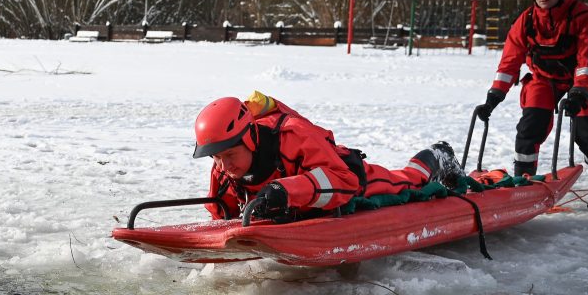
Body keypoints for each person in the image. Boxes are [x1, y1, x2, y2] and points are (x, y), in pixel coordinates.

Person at [192, 91, 462, 220]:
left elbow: (345, 182)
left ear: (249, 138)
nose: (223, 165)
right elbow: (222, 215)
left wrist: (285, 190)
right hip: (308, 201)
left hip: (348, 178)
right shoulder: (224, 166)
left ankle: (438, 155)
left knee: (407, 182)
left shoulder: (294, 136)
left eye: (229, 155)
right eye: (215, 158)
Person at [475, 0, 588, 211]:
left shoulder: (584, 18)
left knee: (587, 132)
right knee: (529, 127)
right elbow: (509, 62)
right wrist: (494, 96)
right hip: (543, 79)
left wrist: (579, 91)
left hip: (584, 81)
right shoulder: (525, 21)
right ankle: (523, 184)